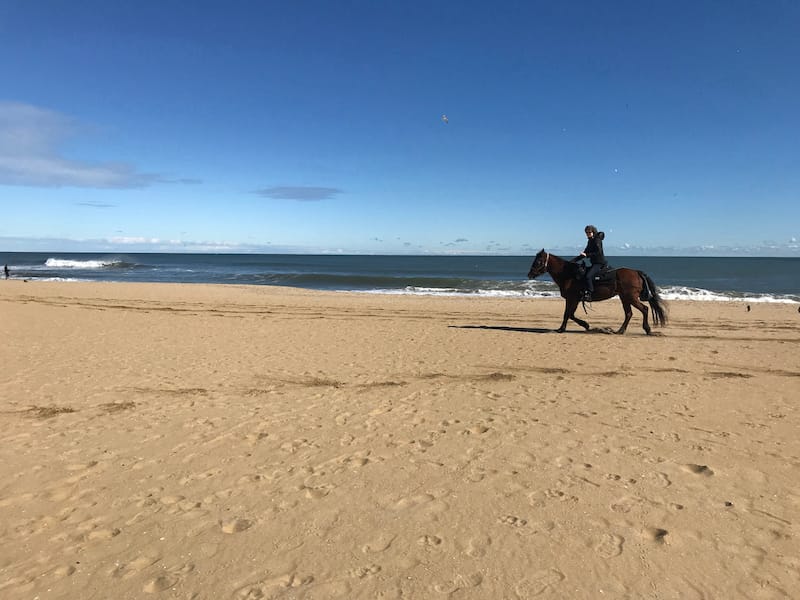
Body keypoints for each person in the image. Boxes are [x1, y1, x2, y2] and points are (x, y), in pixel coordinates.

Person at [579, 225, 606, 300]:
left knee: (588, 276)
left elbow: (598, 252)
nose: (588, 234)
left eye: (589, 232)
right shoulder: (590, 240)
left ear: (593, 232)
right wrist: (573, 261)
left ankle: (590, 293)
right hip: (594, 263)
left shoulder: (597, 240)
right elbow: (586, 251)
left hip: (599, 263)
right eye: (586, 232)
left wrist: (587, 255)